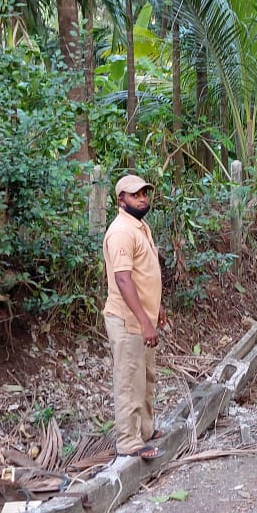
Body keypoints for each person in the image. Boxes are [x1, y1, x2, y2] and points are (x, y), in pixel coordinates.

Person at [103, 174, 168, 460]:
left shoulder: (140, 227)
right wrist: (144, 321)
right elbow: (123, 280)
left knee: (146, 376)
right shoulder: (121, 232)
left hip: (143, 318)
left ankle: (145, 430)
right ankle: (128, 440)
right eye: (135, 195)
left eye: (144, 193)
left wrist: (157, 309)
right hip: (128, 320)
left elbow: (146, 274)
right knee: (130, 379)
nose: (142, 198)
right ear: (121, 200)